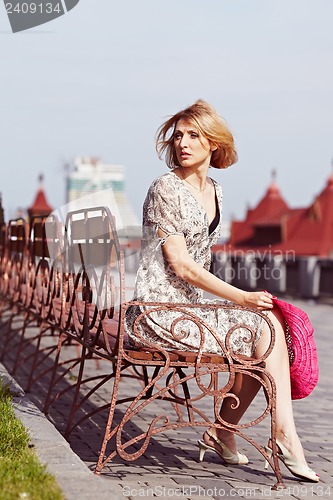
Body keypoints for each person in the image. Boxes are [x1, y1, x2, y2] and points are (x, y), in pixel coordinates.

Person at [124, 99, 319, 482]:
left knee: (264, 327)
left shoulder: (216, 190)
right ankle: (282, 436)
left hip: (190, 308)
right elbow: (180, 265)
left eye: (194, 135)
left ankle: (223, 432)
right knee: (261, 327)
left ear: (213, 143)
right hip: (157, 311)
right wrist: (241, 297)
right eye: (178, 135)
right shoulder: (164, 188)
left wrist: (243, 304)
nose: (183, 143)